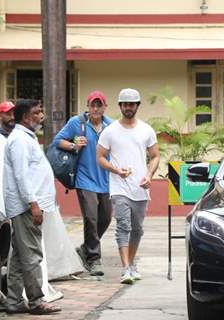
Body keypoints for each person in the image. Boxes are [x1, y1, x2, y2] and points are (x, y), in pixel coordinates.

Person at [3, 99, 61, 315]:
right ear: (26, 117)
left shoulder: (25, 138)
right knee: (32, 255)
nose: (41, 116)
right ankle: (37, 301)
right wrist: (33, 204)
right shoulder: (19, 140)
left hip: (28, 205)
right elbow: (21, 175)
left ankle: (14, 301)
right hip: (26, 207)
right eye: (37, 113)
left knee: (19, 255)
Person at [96, 88, 160, 284]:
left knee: (137, 229)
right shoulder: (110, 131)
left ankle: (131, 264)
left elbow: (155, 156)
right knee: (123, 226)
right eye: (124, 104)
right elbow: (99, 157)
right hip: (119, 187)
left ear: (137, 106)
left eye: (131, 104)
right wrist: (116, 171)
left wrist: (149, 175)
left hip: (140, 187)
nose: (127, 108)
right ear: (120, 106)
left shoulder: (146, 130)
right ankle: (125, 269)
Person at [53, 90, 113, 276]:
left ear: (105, 107)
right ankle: (94, 259)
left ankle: (86, 248)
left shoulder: (111, 126)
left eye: (99, 105)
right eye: (92, 104)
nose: (95, 108)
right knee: (91, 217)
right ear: (87, 106)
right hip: (84, 179)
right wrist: (73, 145)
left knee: (105, 218)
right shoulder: (77, 123)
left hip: (106, 180)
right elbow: (57, 141)